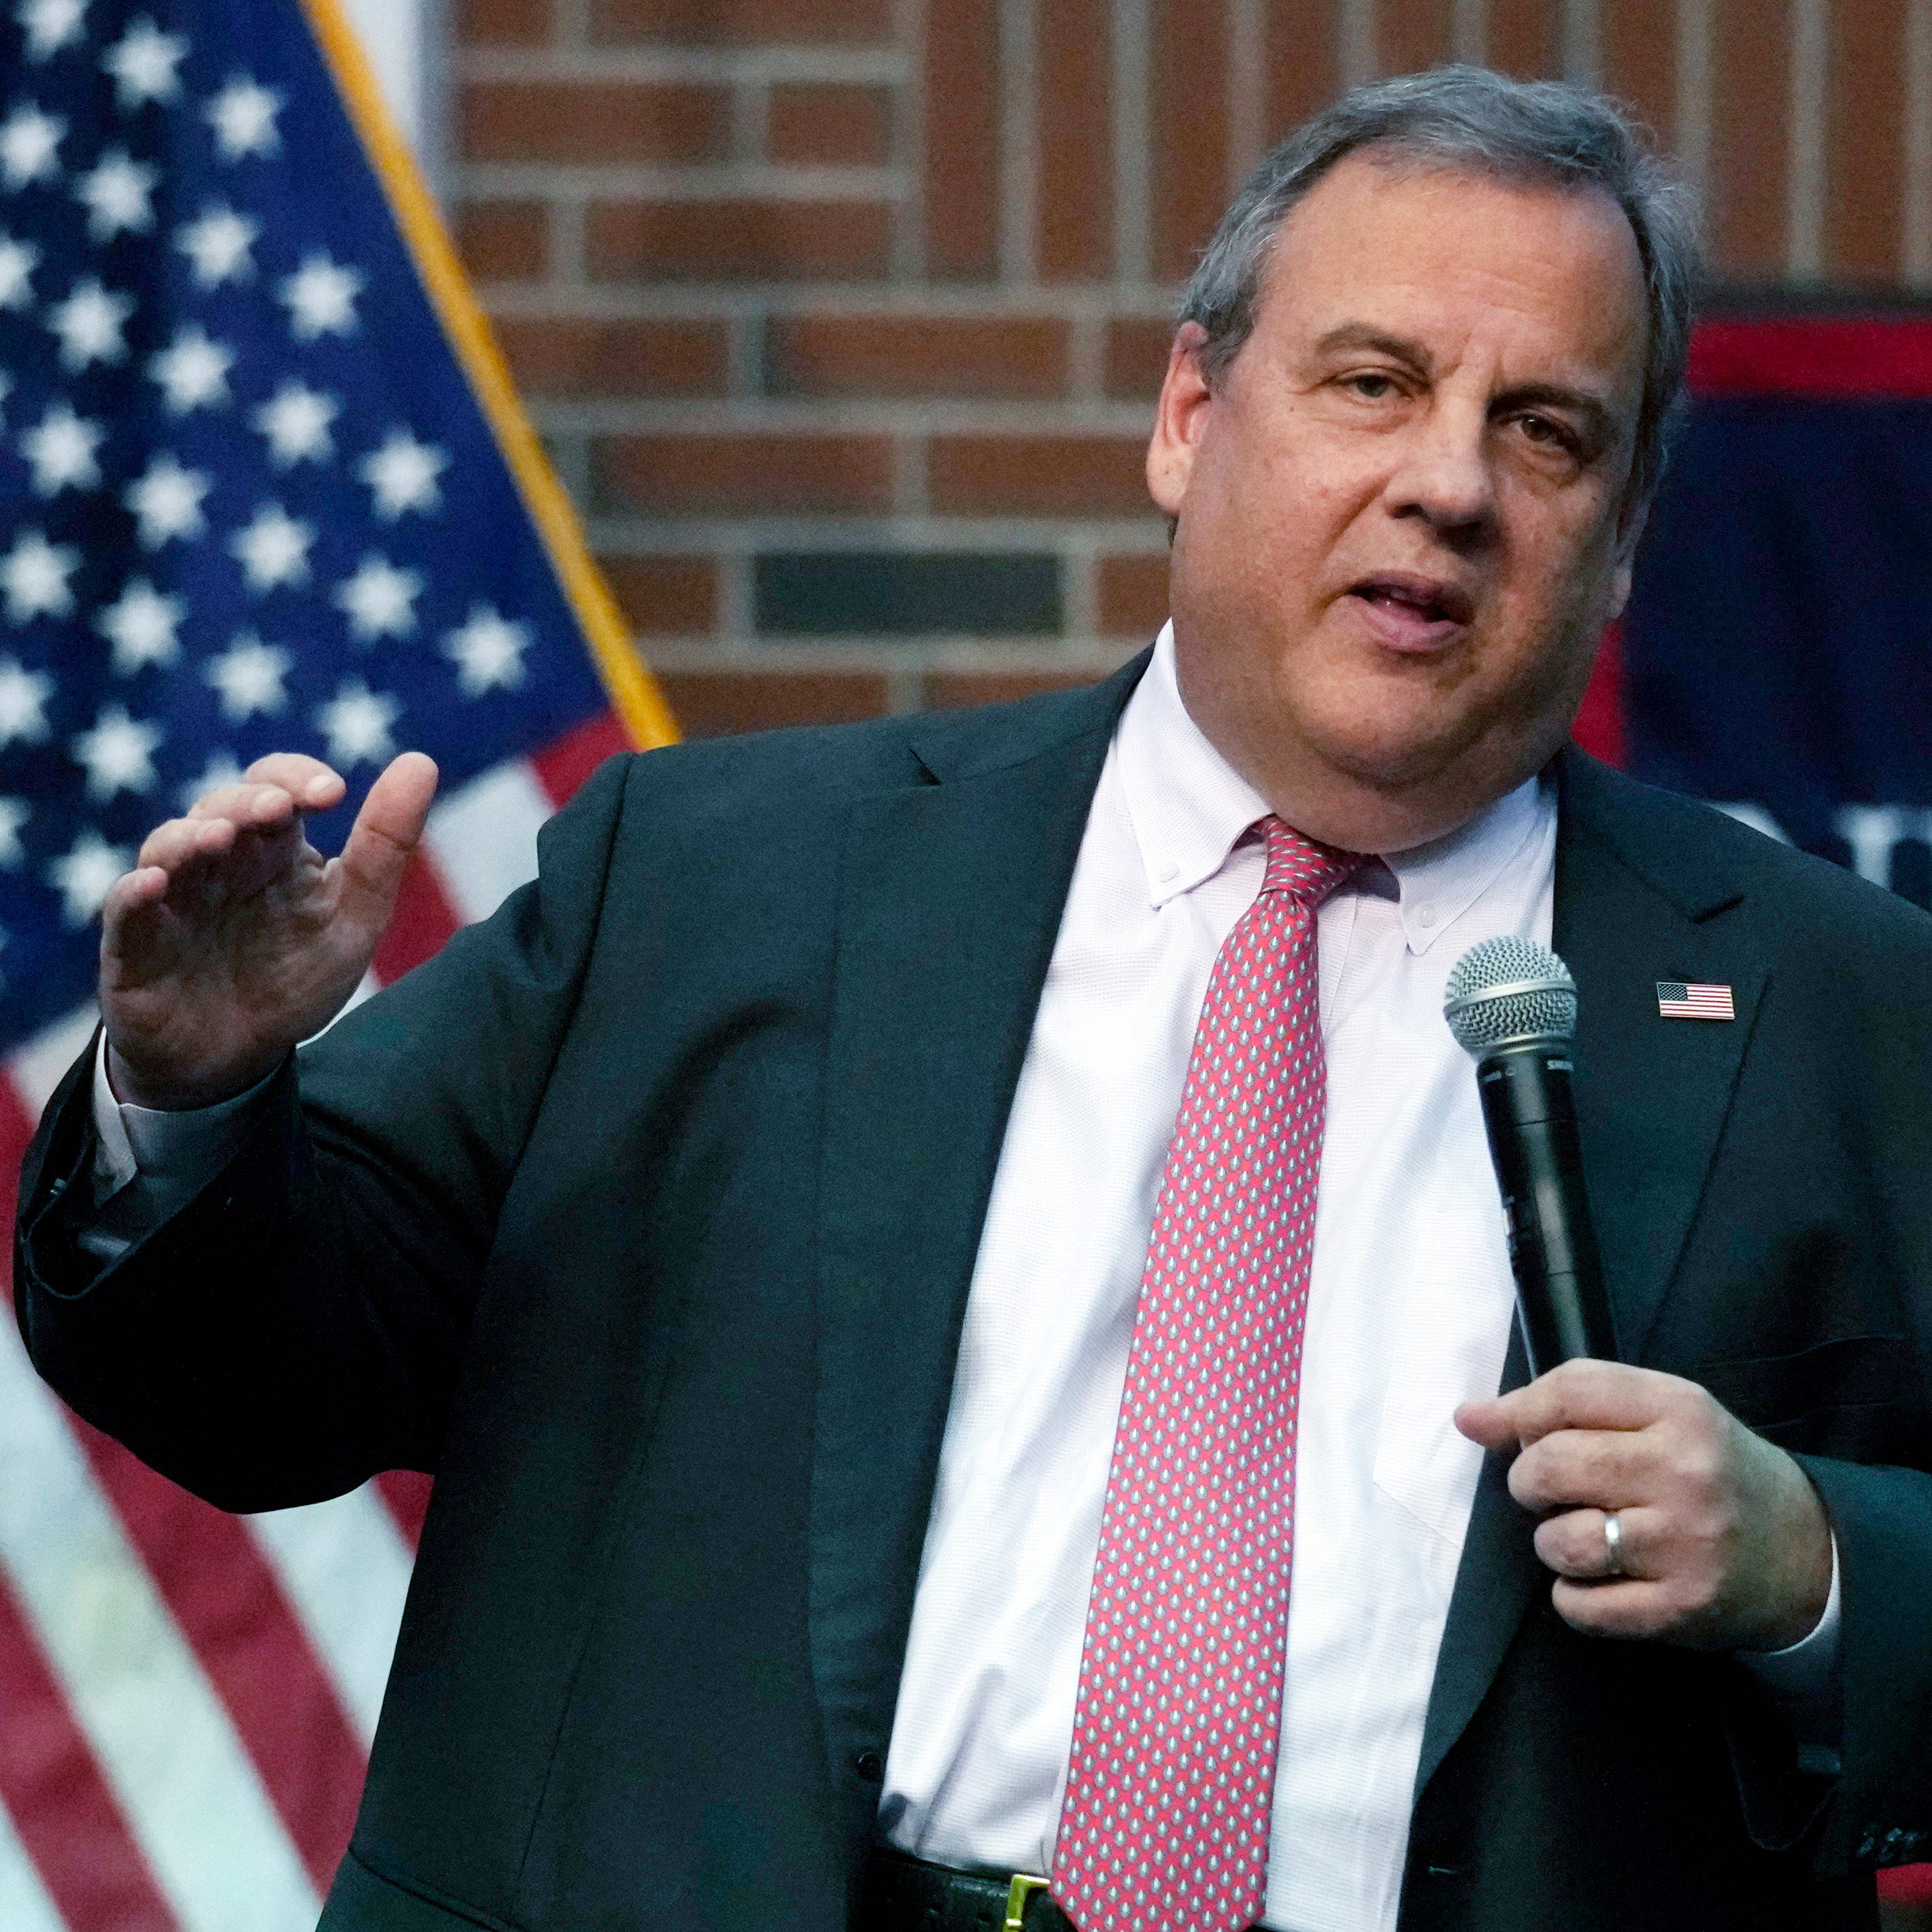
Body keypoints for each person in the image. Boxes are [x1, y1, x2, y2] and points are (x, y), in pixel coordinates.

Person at [16, 67, 1932, 1932]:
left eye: (1545, 431)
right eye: (1373, 383)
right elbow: (263, 1388)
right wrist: (188, 1099)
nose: (1443, 482)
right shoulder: (717, 883)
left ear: (1620, 544)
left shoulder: (1837, 1006)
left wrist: (1812, 1560)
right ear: (1189, 413)